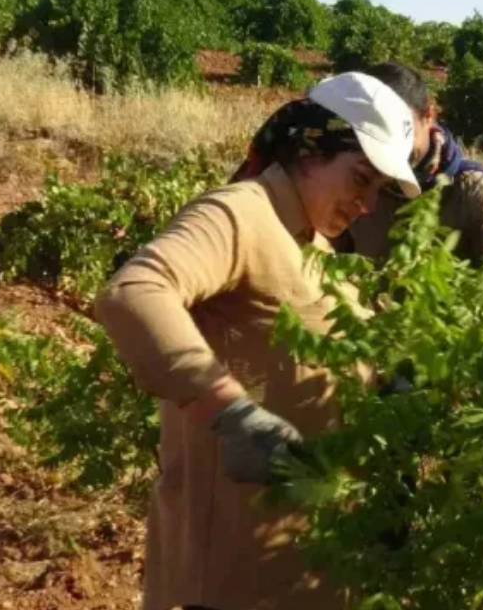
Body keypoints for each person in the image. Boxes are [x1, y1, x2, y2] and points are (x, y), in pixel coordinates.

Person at [93, 72, 421, 610]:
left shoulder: (312, 240)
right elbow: (134, 292)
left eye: (376, 191)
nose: (365, 204)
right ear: (310, 152)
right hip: (229, 575)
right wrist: (230, 412)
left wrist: (384, 384)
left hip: (296, 568)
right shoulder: (241, 214)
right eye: (360, 178)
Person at [338, 62, 483, 267]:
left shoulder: (479, 198)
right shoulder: (351, 184)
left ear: (428, 116)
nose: (392, 153)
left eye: (403, 137)